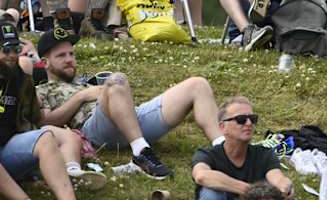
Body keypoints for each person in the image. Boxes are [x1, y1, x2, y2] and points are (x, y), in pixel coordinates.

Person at [35, 28, 222, 180]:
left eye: (71, 54)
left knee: (198, 84)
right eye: (61, 56)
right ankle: (141, 153)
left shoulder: (84, 81)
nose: (69, 59)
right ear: (44, 62)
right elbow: (45, 124)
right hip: (95, 130)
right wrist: (80, 97)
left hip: (131, 119)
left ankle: (223, 149)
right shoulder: (40, 90)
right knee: (116, 80)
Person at [0, 23, 106, 198]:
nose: (12, 56)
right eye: (6, 50)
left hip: (7, 149)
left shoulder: (18, 75)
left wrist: (32, 97)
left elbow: (33, 118)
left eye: (16, 49)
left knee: (46, 138)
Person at [192, 96, 293, 200]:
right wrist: (253, 191)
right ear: (222, 127)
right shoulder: (207, 154)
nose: (249, 123)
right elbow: (202, 176)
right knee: (211, 193)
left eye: (253, 119)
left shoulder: (264, 154)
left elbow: (277, 178)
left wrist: (285, 187)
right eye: (241, 119)